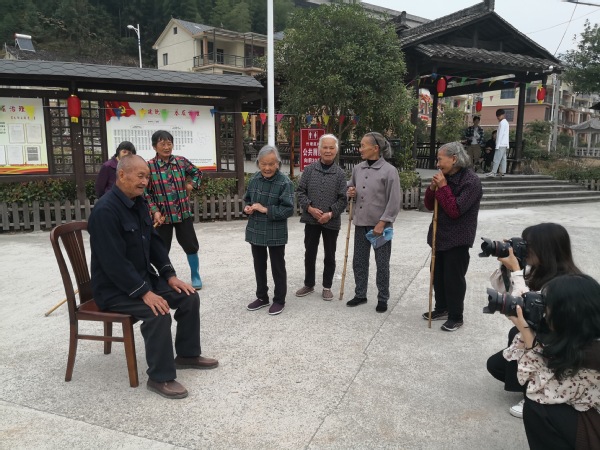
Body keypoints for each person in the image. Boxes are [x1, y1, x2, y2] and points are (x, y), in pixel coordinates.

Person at [88, 155, 218, 400]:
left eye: (147, 177)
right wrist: (144, 293)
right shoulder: (105, 211)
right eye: (140, 176)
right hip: (115, 289)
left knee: (189, 296)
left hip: (142, 279)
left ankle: (187, 354)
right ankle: (160, 377)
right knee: (158, 312)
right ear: (122, 175)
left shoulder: (139, 202)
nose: (145, 182)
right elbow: (114, 263)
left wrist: (169, 275)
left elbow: (154, 243)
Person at [486, 223, 583, 418]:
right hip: (542, 340)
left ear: (546, 249)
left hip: (560, 349)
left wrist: (516, 270)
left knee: (518, 333)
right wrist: (508, 267)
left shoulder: (565, 283)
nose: (525, 248)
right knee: (496, 364)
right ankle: (535, 383)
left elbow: (528, 311)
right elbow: (508, 295)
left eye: (529, 245)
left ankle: (536, 396)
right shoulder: (539, 271)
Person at [503, 274, 600, 450]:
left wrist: (526, 332)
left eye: (548, 308)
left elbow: (539, 390)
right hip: (583, 397)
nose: (545, 313)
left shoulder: (592, 355)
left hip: (594, 427)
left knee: (537, 408)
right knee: (498, 364)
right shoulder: (584, 335)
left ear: (568, 314)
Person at [422, 142, 482, 331]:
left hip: (458, 238)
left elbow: (455, 210)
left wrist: (443, 187)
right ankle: (442, 308)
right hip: (439, 235)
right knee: (437, 275)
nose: (438, 164)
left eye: (440, 159)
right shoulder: (444, 177)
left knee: (453, 279)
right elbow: (429, 205)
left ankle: (456, 316)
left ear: (454, 159)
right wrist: (432, 189)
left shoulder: (471, 181)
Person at [346, 132, 401, 313]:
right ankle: (360, 294)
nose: (360, 149)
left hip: (380, 227)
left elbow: (394, 201)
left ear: (375, 148)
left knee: (382, 263)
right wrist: (351, 192)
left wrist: (382, 223)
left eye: (363, 145)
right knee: (359, 261)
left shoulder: (389, 171)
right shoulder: (358, 168)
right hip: (361, 223)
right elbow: (351, 188)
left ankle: (383, 298)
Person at [145, 130, 203, 290]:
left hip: (183, 213)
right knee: (162, 249)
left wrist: (191, 185)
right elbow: (145, 192)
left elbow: (197, 173)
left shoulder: (180, 161)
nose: (166, 147)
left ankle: (195, 275)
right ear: (154, 146)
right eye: (162, 144)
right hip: (163, 216)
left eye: (169, 143)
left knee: (191, 245)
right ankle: (166, 278)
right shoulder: (149, 166)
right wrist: (154, 210)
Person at [296, 134, 348, 300]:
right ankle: (309, 284)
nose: (328, 151)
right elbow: (300, 192)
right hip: (311, 219)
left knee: (330, 254)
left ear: (336, 151)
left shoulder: (340, 174)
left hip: (331, 221)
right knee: (310, 252)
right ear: (319, 149)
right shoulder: (309, 170)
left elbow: (343, 199)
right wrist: (310, 208)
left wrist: (330, 213)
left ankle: (327, 286)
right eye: (325, 147)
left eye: (331, 148)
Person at [244, 145, 294, 316]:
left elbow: (288, 209)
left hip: (275, 230)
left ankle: (279, 300)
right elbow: (247, 199)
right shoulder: (254, 179)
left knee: (277, 266)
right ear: (258, 163)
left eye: (271, 164)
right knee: (259, 265)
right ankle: (262, 297)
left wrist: (265, 209)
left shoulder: (284, 182)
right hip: (256, 228)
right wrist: (248, 208)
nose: (267, 168)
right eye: (263, 164)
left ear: (278, 164)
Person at [487, 109, 509, 178]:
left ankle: (493, 172)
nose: (498, 117)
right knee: (503, 159)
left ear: (503, 115)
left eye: (499, 116)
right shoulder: (506, 122)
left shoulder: (502, 123)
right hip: (504, 144)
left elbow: (500, 135)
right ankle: (502, 172)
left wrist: (497, 145)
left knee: (496, 158)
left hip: (501, 144)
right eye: (497, 116)